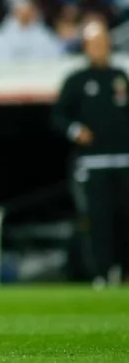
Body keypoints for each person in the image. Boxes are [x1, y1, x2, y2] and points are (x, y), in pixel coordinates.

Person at [52, 21, 129, 289]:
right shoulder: (77, 81)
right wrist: (76, 131)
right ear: (86, 47)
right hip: (94, 163)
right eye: (95, 45)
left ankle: (123, 271)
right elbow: (58, 116)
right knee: (99, 220)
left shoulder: (120, 77)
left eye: (104, 44)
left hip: (124, 161)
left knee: (124, 220)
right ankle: (101, 273)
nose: (100, 49)